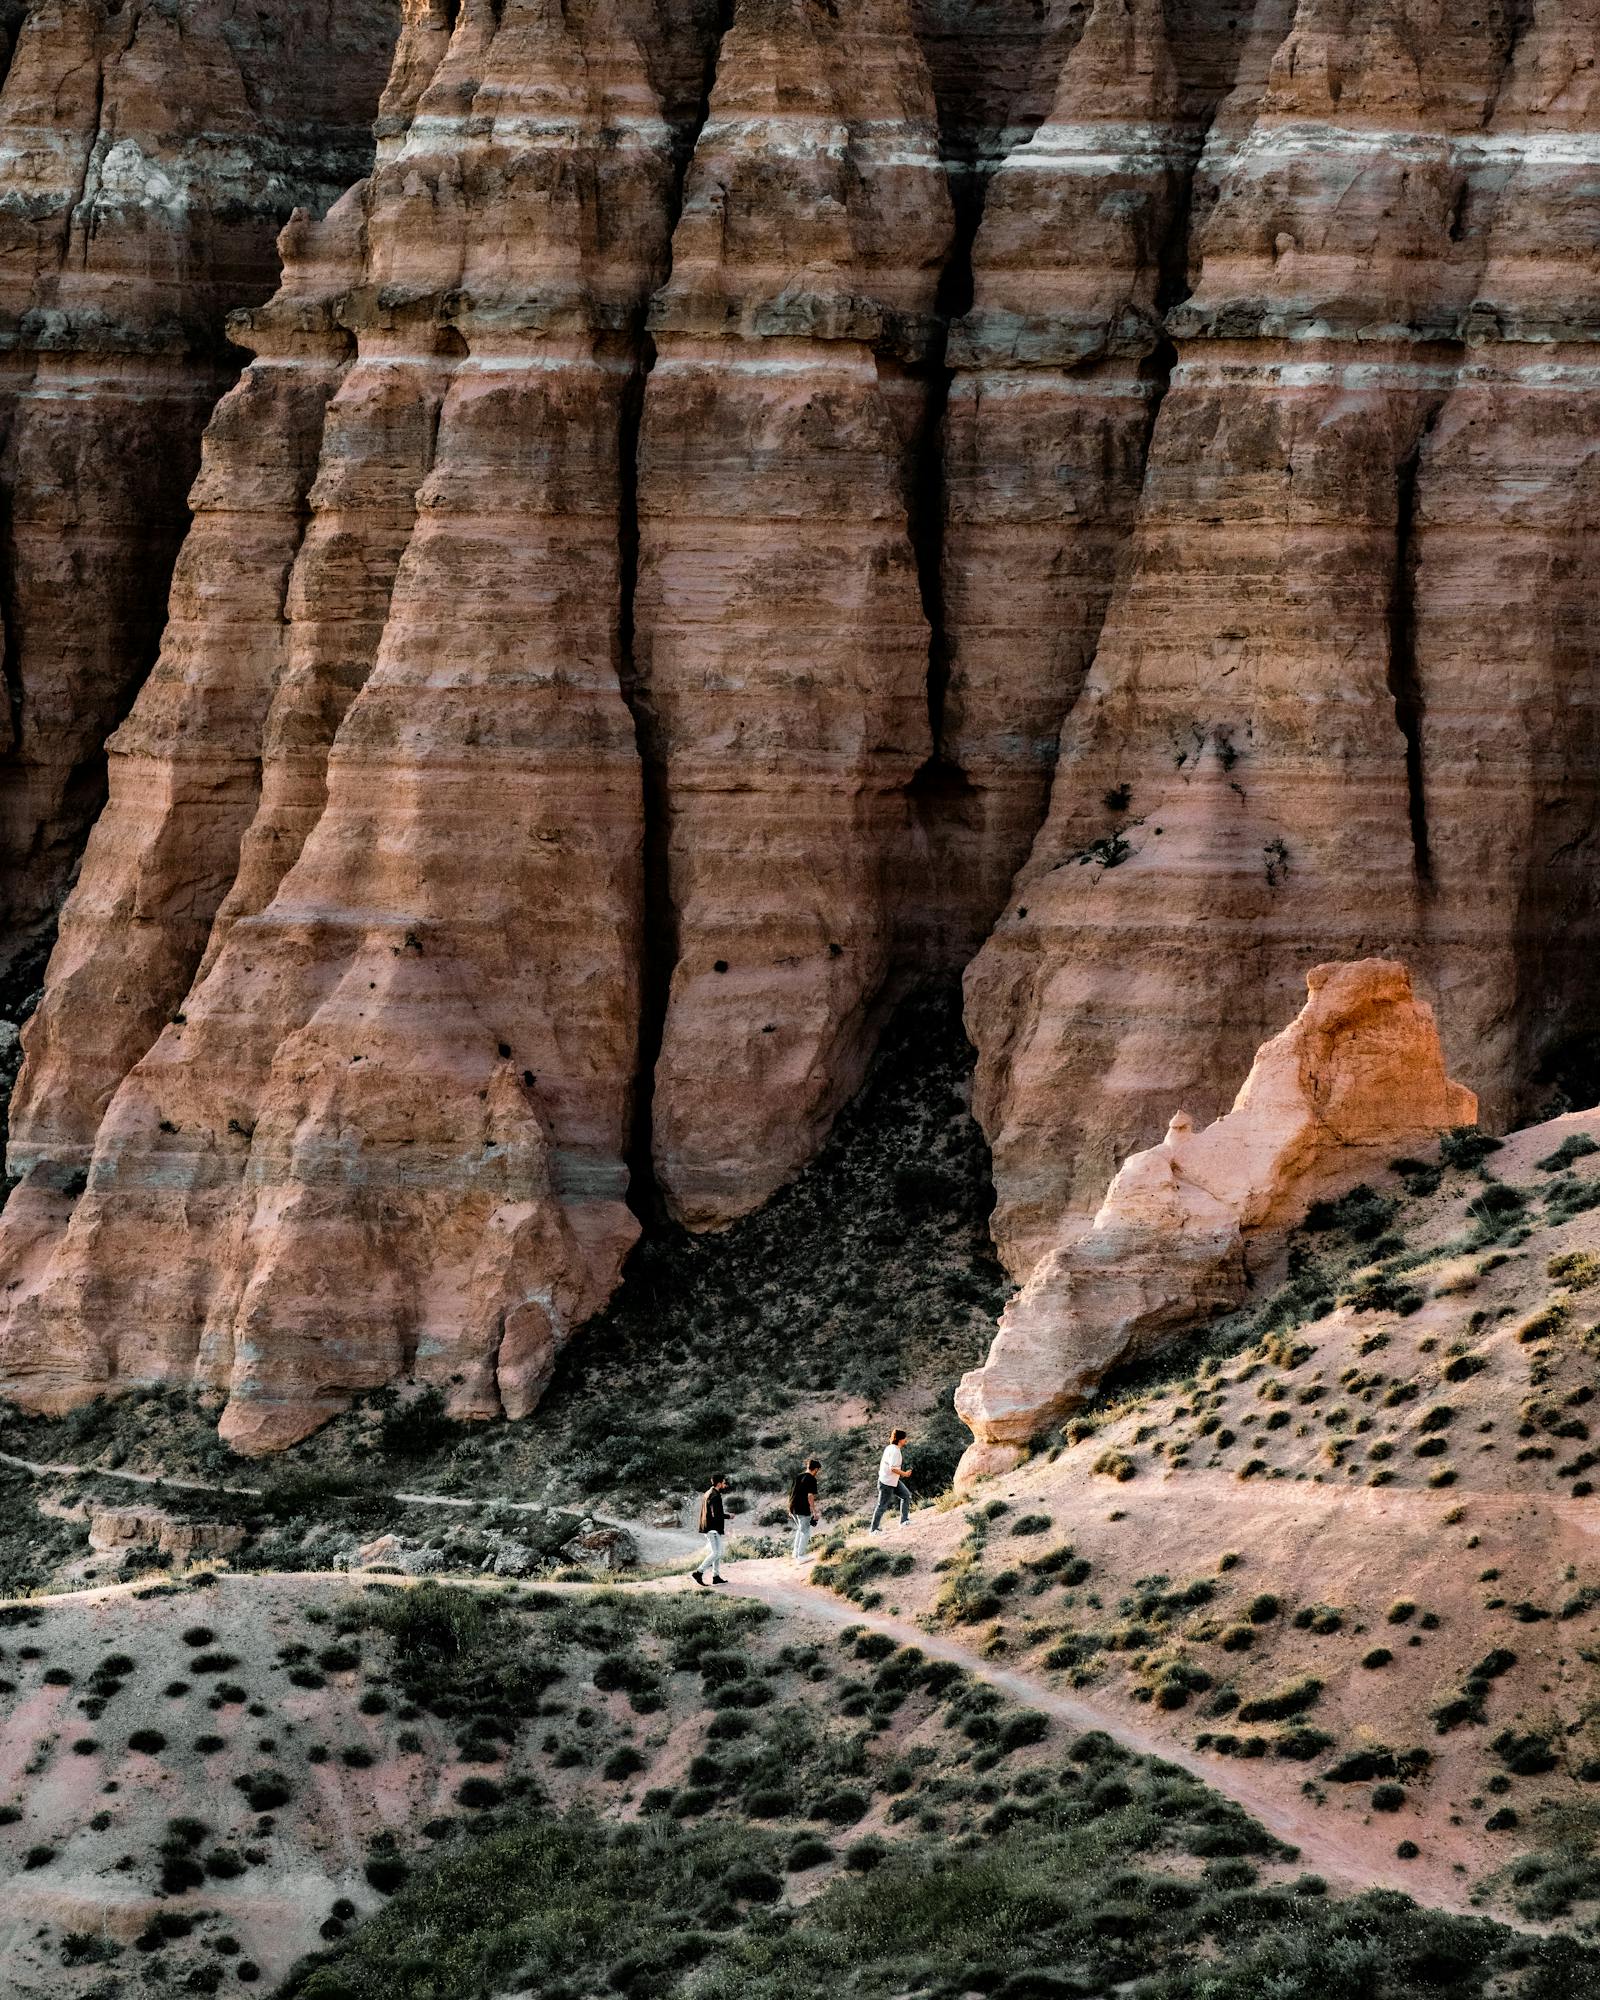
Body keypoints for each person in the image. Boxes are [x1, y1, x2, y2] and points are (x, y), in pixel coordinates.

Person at [691, 1474, 730, 1587]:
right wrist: (728, 1516)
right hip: (712, 1528)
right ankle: (699, 1572)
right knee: (716, 1553)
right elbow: (716, 1514)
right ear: (718, 1484)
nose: (725, 1484)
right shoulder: (714, 1496)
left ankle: (716, 1577)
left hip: (711, 1528)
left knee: (717, 1553)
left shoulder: (708, 1493)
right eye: (723, 1482)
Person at [870, 1429, 912, 1531]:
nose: (905, 1440)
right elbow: (893, 1468)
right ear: (900, 1439)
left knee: (906, 1496)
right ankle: (873, 1530)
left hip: (892, 1481)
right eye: (904, 1438)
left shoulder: (890, 1448)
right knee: (882, 1506)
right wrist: (905, 1474)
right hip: (886, 1483)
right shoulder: (895, 1451)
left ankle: (904, 1521)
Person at [788, 1457, 822, 1559]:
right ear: (815, 1469)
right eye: (818, 1470)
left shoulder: (798, 1476)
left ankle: (795, 1553)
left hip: (793, 1507)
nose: (817, 1472)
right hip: (802, 1509)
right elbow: (810, 1496)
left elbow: (791, 1493)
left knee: (800, 1529)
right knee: (806, 1532)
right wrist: (814, 1512)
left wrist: (790, 1509)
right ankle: (801, 1555)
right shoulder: (812, 1479)